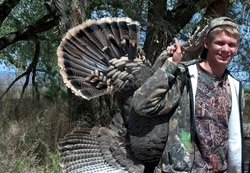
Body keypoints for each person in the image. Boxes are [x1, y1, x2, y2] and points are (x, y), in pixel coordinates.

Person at [132, 16, 245, 172]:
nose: (225, 49)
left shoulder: (235, 87)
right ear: (206, 43)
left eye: (231, 45)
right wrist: (171, 65)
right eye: (219, 43)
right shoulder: (185, 76)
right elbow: (142, 104)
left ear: (237, 48)